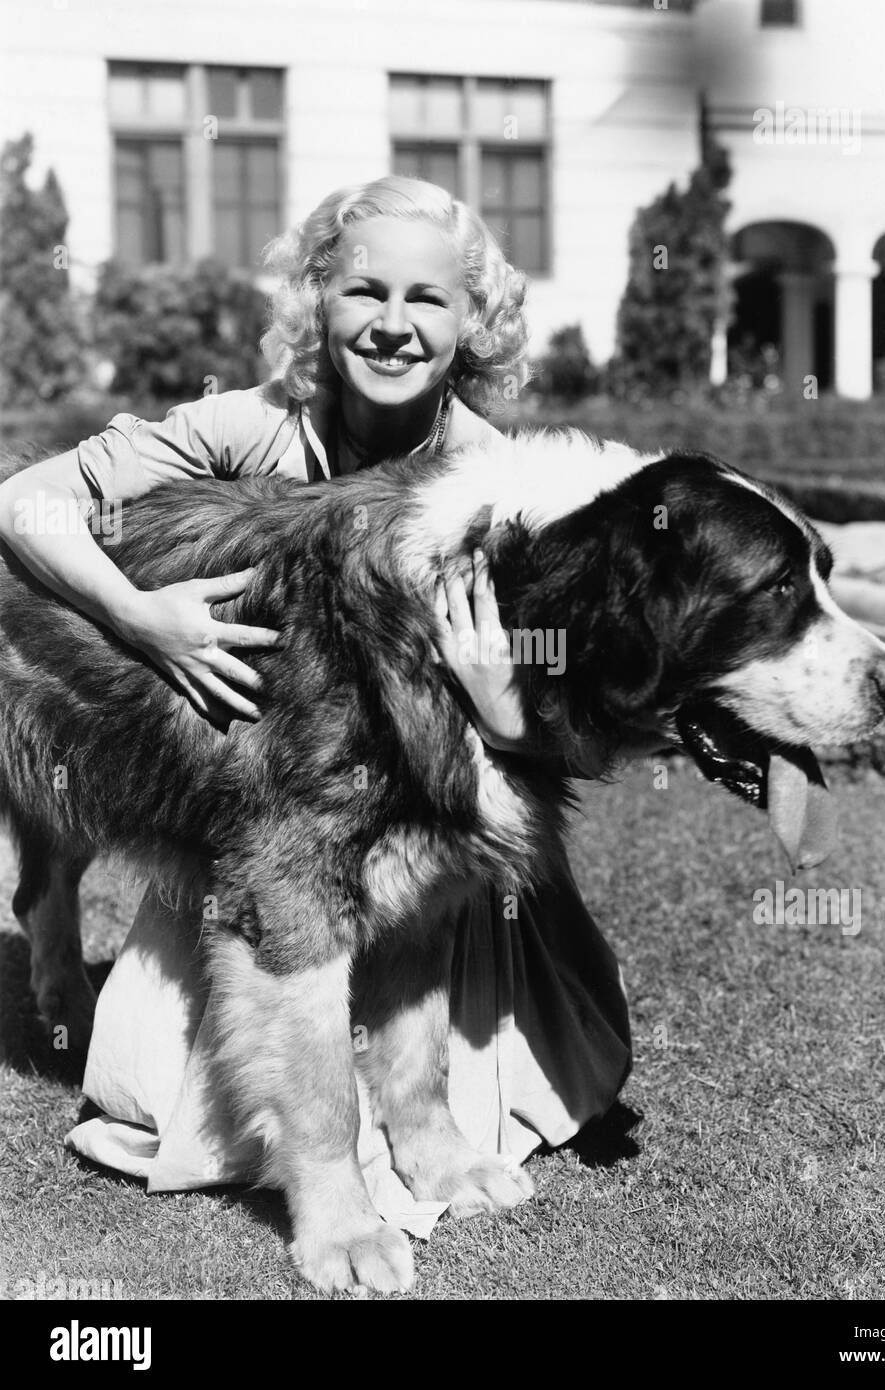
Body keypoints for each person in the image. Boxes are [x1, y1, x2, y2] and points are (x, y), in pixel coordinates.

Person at [0, 176, 631, 1234]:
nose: (392, 325)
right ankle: (53, 925)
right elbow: (26, 500)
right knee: (177, 1106)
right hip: (262, 812)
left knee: (481, 1002)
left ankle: (423, 1119)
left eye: (426, 300)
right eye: (362, 292)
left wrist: (498, 698)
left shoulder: (494, 479)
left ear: (473, 321)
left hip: (422, 830)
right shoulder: (253, 424)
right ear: (317, 302)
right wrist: (140, 614)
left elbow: (560, 733)